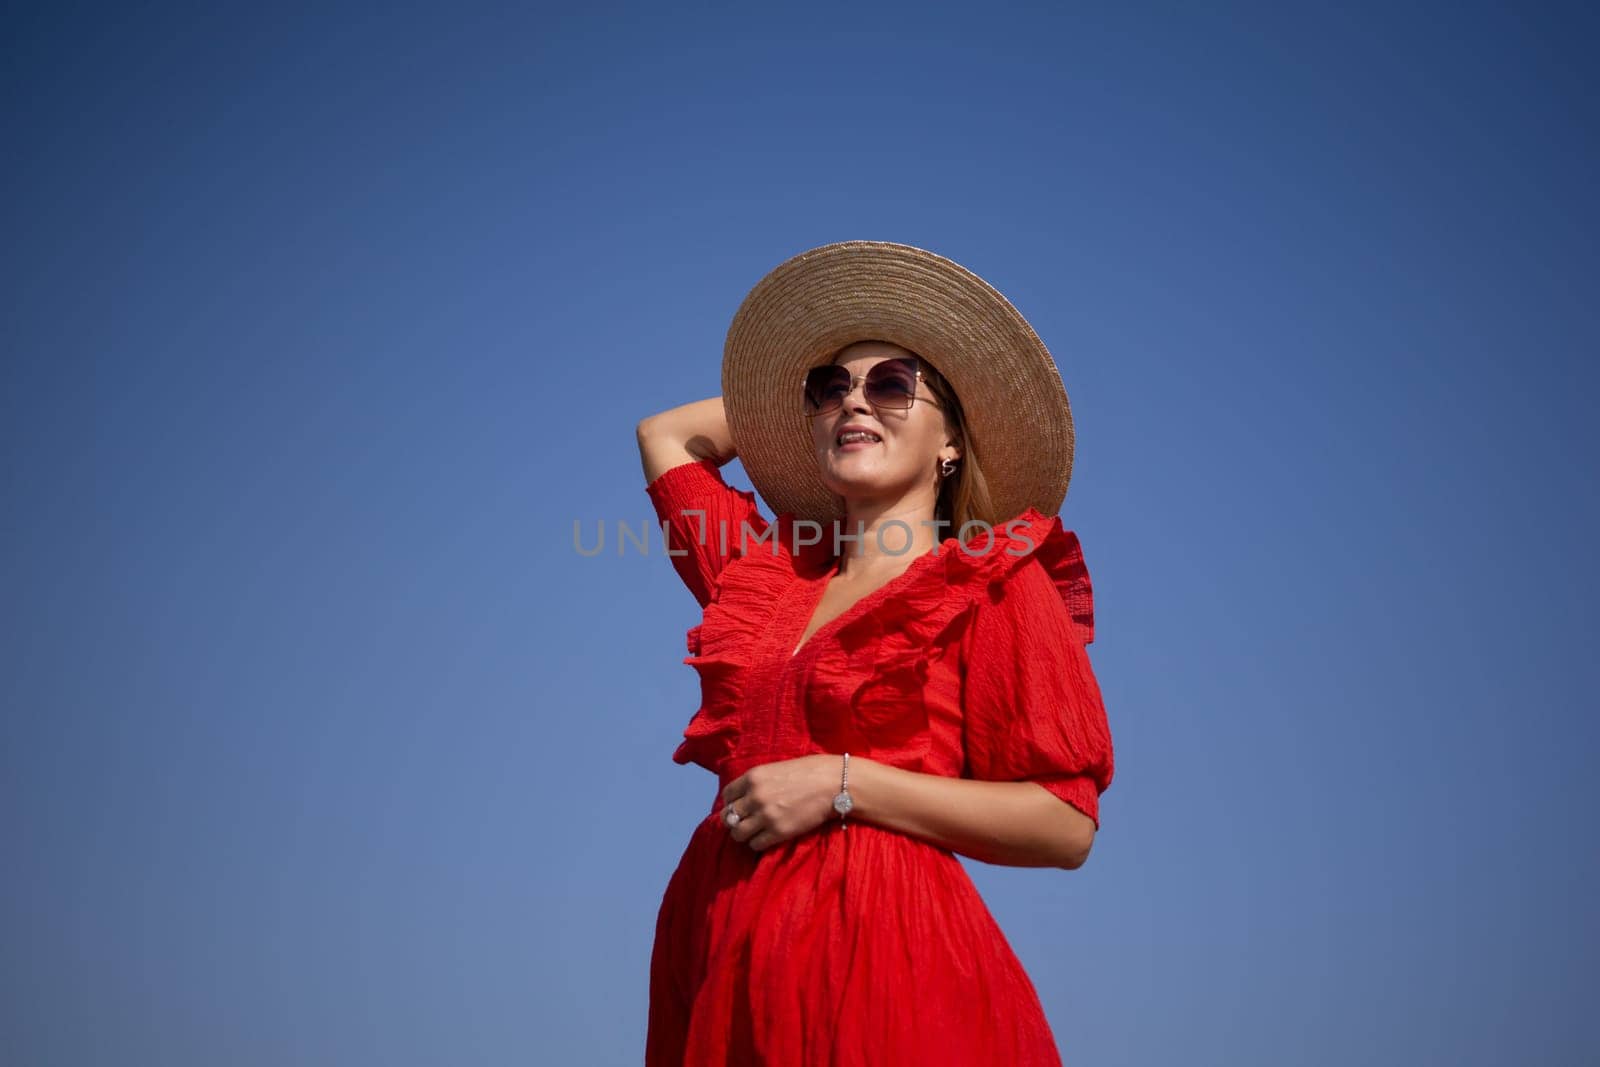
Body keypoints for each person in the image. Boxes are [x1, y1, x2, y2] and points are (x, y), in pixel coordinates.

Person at [635, 241, 1114, 1066]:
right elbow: (669, 436)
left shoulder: (993, 581)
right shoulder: (763, 578)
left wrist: (843, 781)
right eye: (831, 387)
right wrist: (821, 409)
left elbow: (1065, 822)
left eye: (892, 383)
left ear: (952, 441)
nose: (854, 399)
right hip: (718, 945)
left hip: (886, 954)